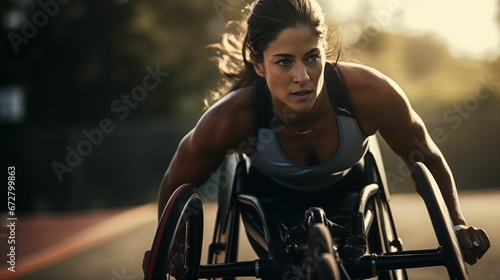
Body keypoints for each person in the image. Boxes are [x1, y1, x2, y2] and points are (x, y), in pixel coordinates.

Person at [152, 0, 490, 271]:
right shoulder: (233, 117)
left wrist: (457, 226)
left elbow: (426, 159)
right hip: (269, 201)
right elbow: (175, 185)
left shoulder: (370, 93)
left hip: (349, 192)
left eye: (312, 57)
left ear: (324, 51)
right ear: (259, 65)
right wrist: (168, 248)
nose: (303, 76)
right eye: (284, 62)